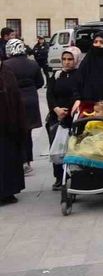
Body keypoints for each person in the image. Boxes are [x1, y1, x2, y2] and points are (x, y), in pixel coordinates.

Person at [3, 39, 43, 176]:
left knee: (16, 132)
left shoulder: (6, 65)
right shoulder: (33, 64)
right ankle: (28, 160)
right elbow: (40, 82)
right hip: (31, 98)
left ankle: (20, 160)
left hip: (13, 101)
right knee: (28, 132)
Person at [46, 47, 82, 190]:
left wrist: (70, 109)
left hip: (74, 116)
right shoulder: (56, 75)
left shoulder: (80, 75)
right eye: (64, 59)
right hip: (57, 116)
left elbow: (79, 94)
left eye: (70, 59)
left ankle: (76, 175)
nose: (67, 62)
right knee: (56, 147)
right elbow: (50, 94)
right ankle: (59, 176)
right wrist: (56, 109)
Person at [0, 59, 28, 205]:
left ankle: (9, 192)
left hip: (9, 125)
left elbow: (16, 97)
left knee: (9, 158)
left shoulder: (7, 72)